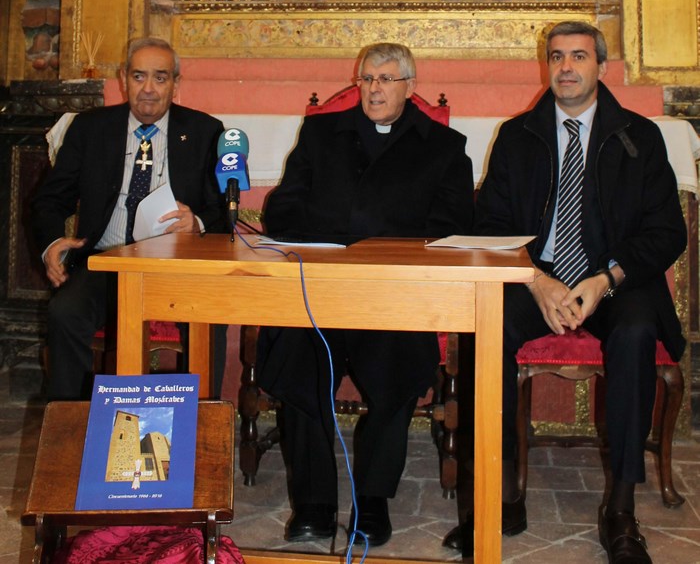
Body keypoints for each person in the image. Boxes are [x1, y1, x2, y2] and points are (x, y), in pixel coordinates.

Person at [444, 21, 687, 564]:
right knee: (490, 325)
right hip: (540, 275)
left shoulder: (639, 137)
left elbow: (668, 231)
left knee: (636, 331)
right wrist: (535, 279)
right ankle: (502, 493)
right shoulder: (519, 135)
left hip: (615, 278)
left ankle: (621, 509)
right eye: (556, 57)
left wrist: (606, 280)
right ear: (545, 65)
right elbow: (491, 225)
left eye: (579, 56)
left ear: (601, 66)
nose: (566, 68)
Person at [256, 42, 474, 547]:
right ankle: (313, 502)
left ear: (409, 88)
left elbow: (452, 224)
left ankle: (372, 501)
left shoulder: (442, 146)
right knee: (298, 359)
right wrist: (314, 246)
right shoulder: (322, 133)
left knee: (398, 370)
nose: (374, 88)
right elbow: (283, 205)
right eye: (367, 79)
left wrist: (386, 255)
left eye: (386, 79)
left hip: (392, 291)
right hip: (321, 284)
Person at [32, 37, 227, 401]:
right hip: (107, 262)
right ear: (123, 79)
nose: (149, 90)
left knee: (211, 319)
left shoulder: (206, 132)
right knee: (64, 312)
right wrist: (51, 244)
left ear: (176, 83)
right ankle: (71, 428)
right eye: (139, 77)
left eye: (160, 78)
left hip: (178, 267)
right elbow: (49, 199)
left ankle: (201, 428)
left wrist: (197, 222)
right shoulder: (90, 129)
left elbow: (223, 212)